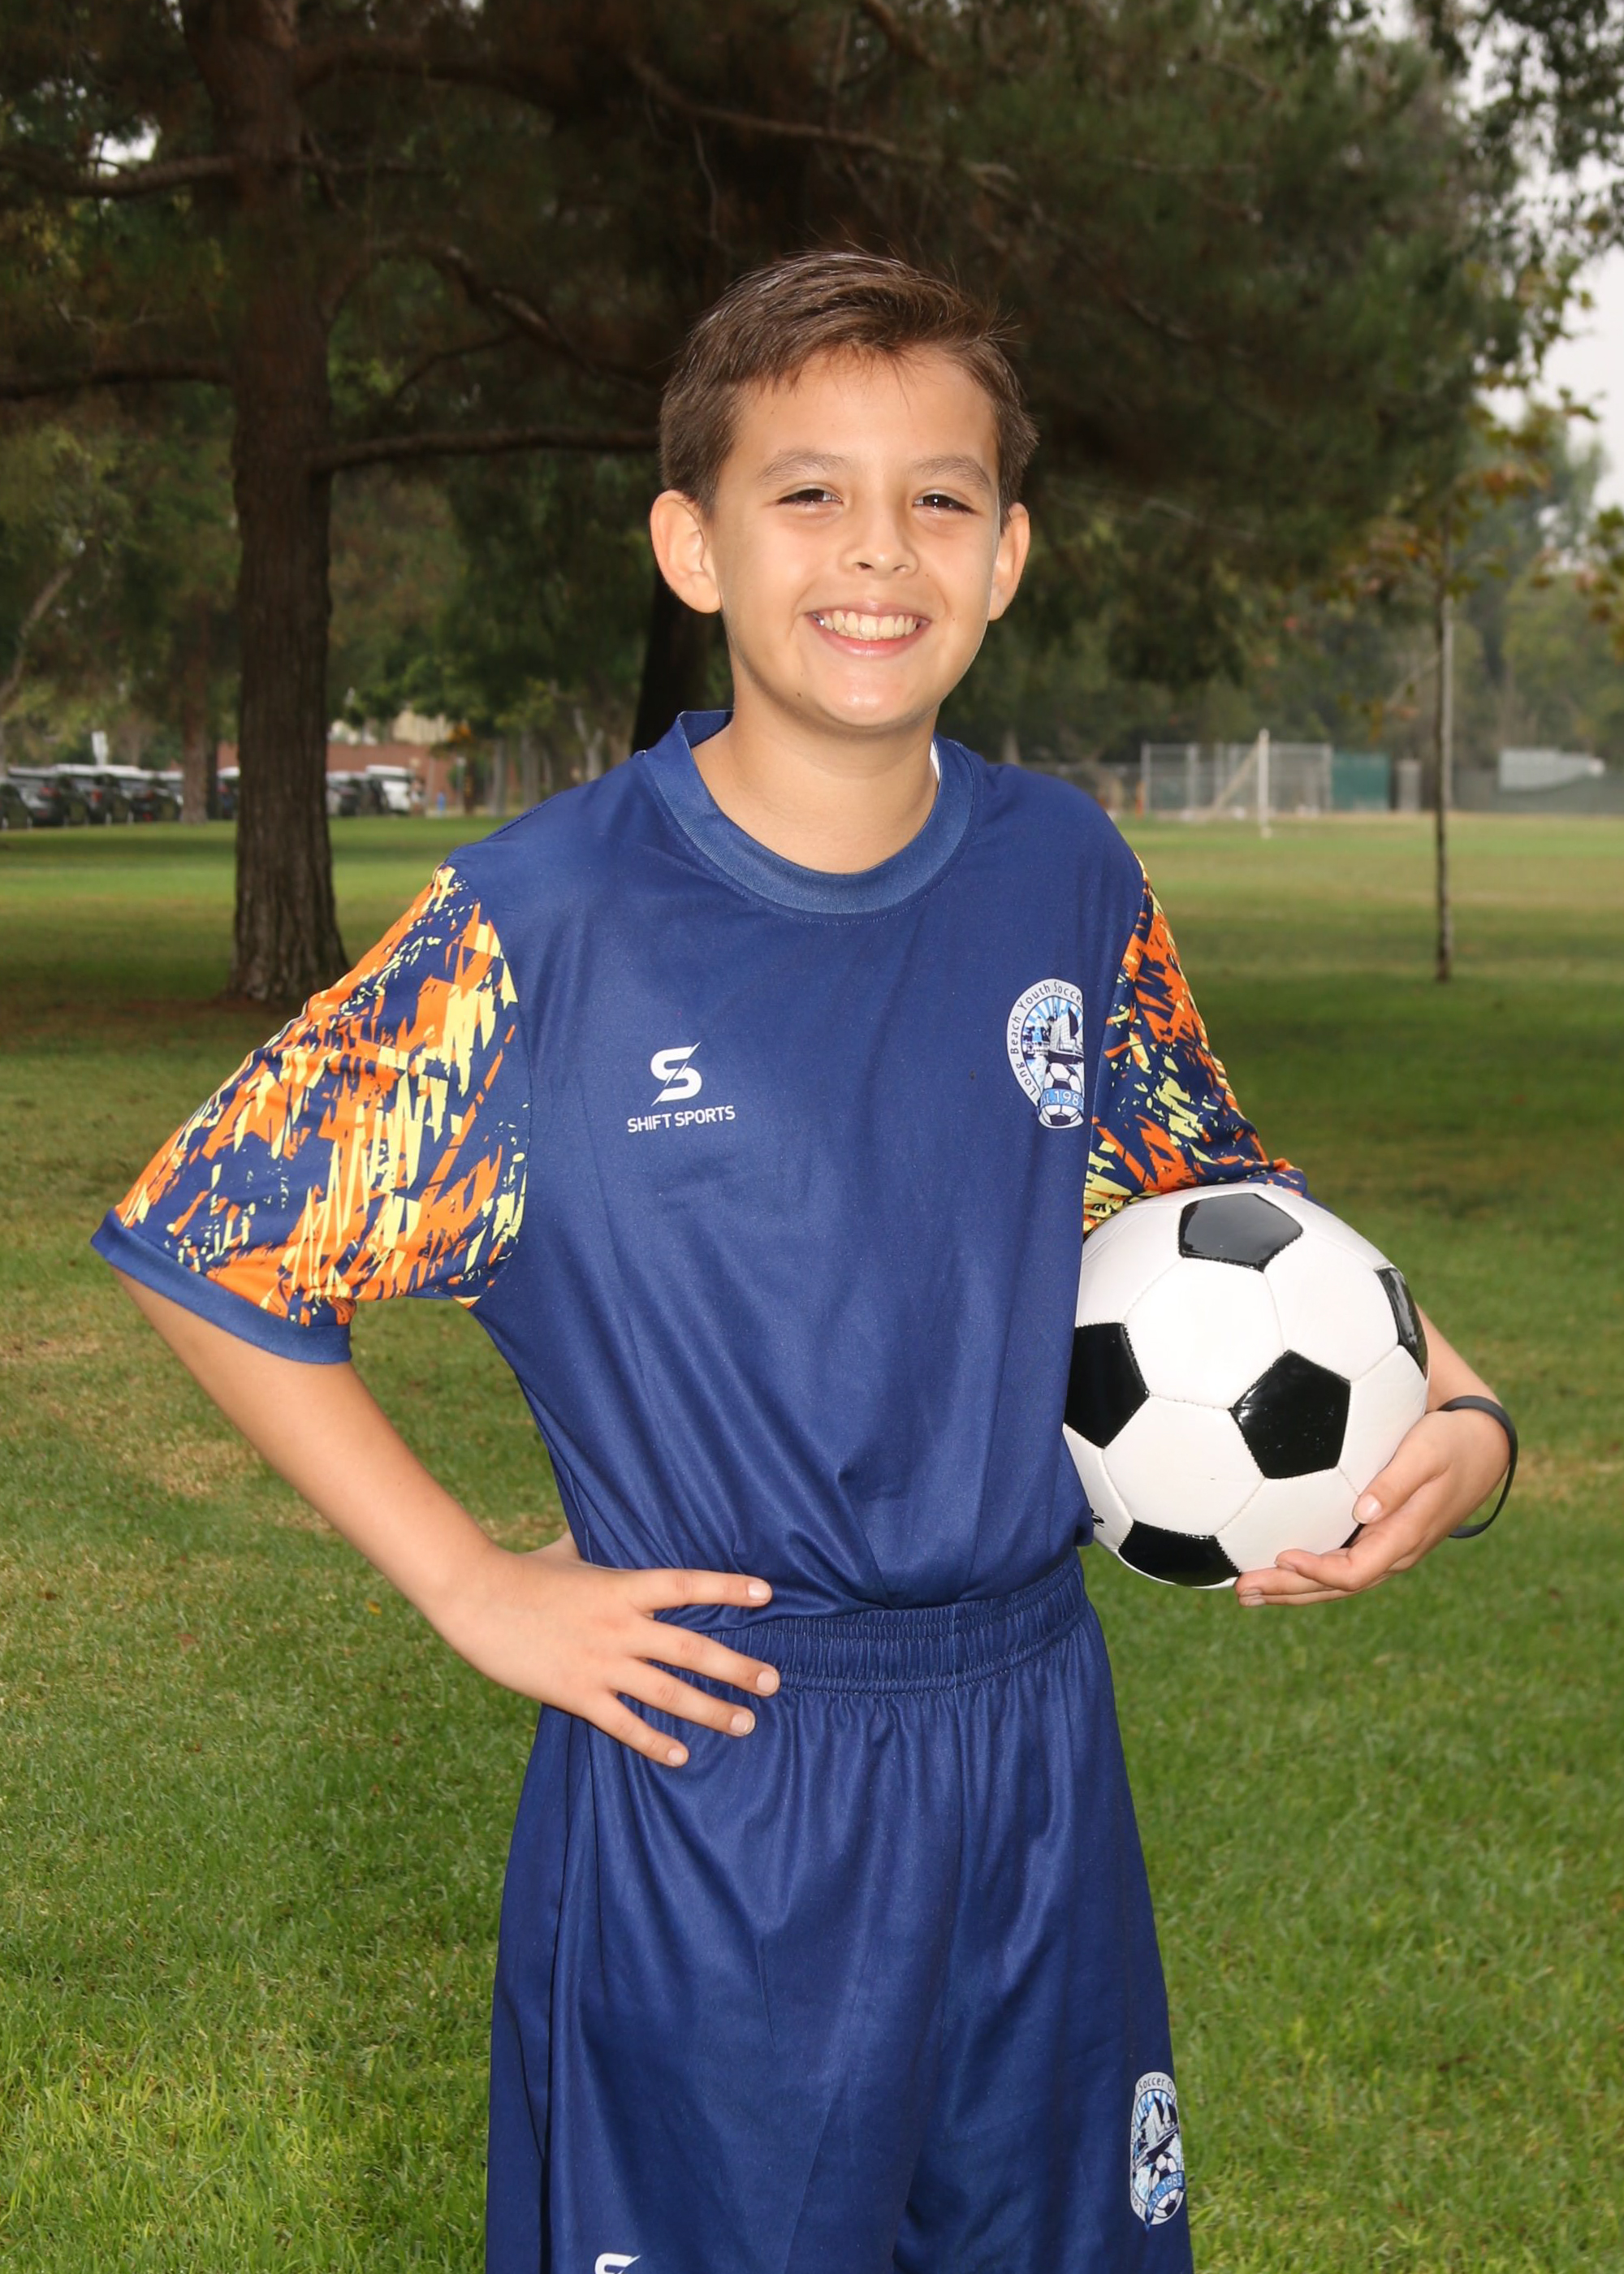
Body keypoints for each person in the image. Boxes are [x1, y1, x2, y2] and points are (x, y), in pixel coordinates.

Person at [93, 253, 1514, 2273]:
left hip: (1031, 1747)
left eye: (938, 497)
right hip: (720, 1768)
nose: (876, 551)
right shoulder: (544, 924)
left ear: (1006, 555)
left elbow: (1216, 1190)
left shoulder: (1062, 872)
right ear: (692, 544)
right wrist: (473, 1582)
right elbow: (207, 1236)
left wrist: (1461, 1407)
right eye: (808, 493)